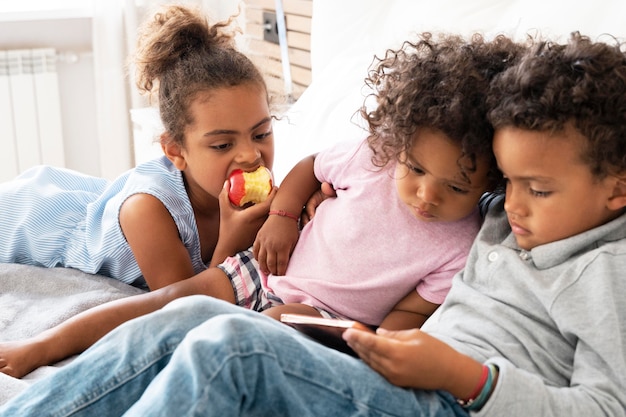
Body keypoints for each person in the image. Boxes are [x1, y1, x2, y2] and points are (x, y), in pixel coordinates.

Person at [2, 31, 625, 417]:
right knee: (193, 315)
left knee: (232, 349)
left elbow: (607, 406)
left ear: (618, 189)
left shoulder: (605, 270)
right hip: (396, 375)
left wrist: (467, 378)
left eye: (535, 188)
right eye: (506, 182)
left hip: (454, 402)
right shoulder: (506, 214)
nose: (509, 205)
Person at [0, 4, 275, 291]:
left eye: (261, 134)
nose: (250, 155)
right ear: (176, 151)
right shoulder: (147, 210)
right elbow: (188, 305)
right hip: (27, 219)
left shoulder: (255, 192)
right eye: (222, 145)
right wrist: (231, 240)